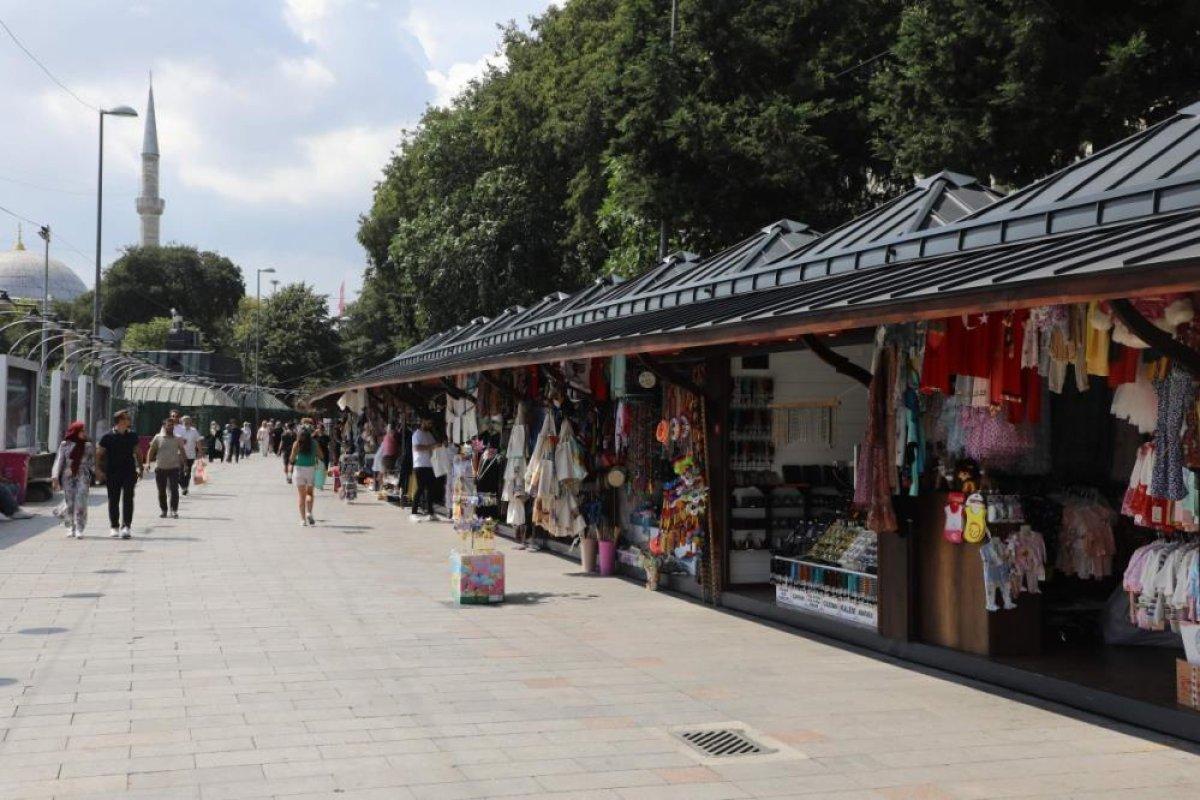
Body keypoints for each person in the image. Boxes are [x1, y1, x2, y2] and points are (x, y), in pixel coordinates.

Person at [97, 409, 140, 539]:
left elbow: (137, 452)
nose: (129, 420)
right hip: (112, 473)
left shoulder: (133, 435)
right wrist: (98, 470)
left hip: (129, 472)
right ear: (120, 420)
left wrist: (142, 467)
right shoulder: (107, 437)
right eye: (127, 418)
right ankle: (114, 526)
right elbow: (98, 454)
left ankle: (126, 526)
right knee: (113, 500)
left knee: (128, 499)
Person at [52, 420, 95, 538]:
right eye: (82, 430)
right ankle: (71, 527)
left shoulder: (87, 445)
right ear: (75, 431)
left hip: (83, 475)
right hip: (68, 476)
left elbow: (92, 462)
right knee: (69, 502)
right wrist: (55, 477)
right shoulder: (65, 444)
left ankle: (80, 527)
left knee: (81, 501)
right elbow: (59, 460)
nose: (84, 433)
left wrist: (98, 473)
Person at [146, 419, 187, 519]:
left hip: (174, 468)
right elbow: (151, 450)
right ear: (164, 426)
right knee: (161, 491)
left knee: (174, 490)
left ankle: (174, 510)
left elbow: (182, 451)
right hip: (160, 468)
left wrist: (185, 464)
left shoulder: (178, 438)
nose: (171, 427)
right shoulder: (158, 437)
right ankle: (164, 510)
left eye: (172, 425)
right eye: (168, 425)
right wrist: (147, 463)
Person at [290, 426, 325, 526]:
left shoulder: (296, 444)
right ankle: (309, 512)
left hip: (299, 470)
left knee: (301, 496)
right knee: (309, 493)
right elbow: (321, 456)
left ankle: (303, 520)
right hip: (311, 470)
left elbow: (292, 459)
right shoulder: (314, 443)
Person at [409, 416, 439, 523]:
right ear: (423, 422)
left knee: (431, 489)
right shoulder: (416, 434)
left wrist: (438, 446)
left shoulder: (429, 434)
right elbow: (417, 448)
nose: (430, 425)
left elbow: (433, 447)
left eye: (431, 423)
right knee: (420, 488)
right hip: (420, 465)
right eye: (428, 423)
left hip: (430, 465)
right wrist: (432, 446)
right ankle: (413, 513)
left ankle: (431, 513)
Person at [175, 416, 204, 495]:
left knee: (188, 472)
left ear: (190, 422)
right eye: (185, 420)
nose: (186, 422)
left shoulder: (194, 431)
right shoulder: (179, 430)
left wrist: (200, 452)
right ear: (182, 422)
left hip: (191, 455)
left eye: (188, 420)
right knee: (180, 472)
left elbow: (198, 442)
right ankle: (183, 486)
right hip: (180, 454)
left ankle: (185, 487)